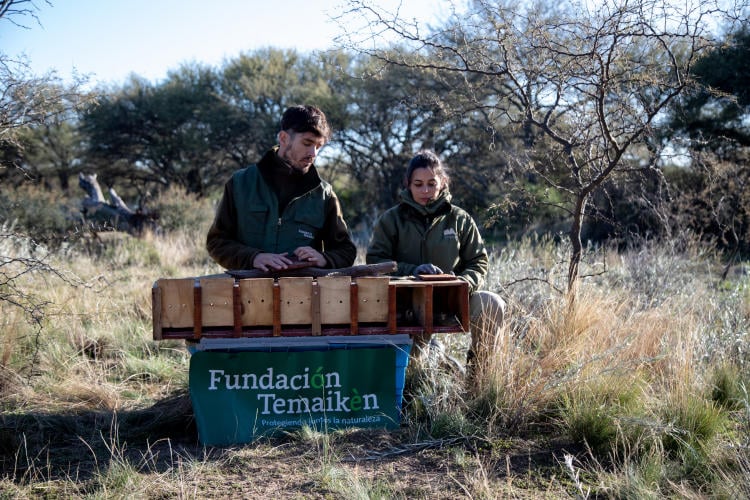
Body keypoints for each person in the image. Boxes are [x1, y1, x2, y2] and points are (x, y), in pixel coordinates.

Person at [366, 150, 506, 378]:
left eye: (432, 183)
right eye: (418, 184)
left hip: (451, 301)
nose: (425, 191)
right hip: (405, 304)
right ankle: (433, 361)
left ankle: (481, 378)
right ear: (408, 185)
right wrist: (412, 272)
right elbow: (375, 261)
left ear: (443, 183)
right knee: (415, 374)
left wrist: (462, 283)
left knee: (492, 303)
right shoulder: (391, 219)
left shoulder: (459, 218)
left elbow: (478, 260)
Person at [206, 105, 357, 271]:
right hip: (247, 292)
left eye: (318, 146)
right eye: (307, 143)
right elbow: (216, 242)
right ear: (284, 138)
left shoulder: (324, 194)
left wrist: (324, 258)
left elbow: (346, 251)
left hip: (303, 294)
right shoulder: (240, 183)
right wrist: (253, 258)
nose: (313, 154)